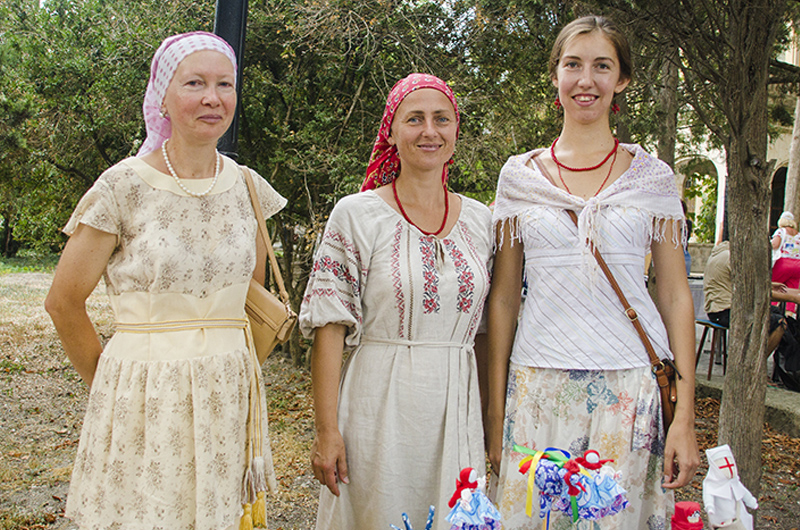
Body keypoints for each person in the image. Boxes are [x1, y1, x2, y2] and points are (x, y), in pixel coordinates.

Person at [45, 32, 286, 530]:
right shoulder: (123, 186)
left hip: (227, 391)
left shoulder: (248, 187)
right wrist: (112, 384)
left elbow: (249, 298)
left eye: (224, 84)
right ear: (162, 96)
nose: (212, 98)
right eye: (194, 83)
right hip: (144, 393)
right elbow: (63, 302)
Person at [485, 16, 700, 529]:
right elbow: (504, 299)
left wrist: (686, 417)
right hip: (537, 390)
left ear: (621, 79)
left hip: (629, 391)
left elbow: (674, 295)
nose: (586, 80)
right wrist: (494, 410)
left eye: (602, 66)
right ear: (555, 76)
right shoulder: (519, 177)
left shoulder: (652, 178)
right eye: (573, 65)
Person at [299, 73, 493, 530]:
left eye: (441, 119)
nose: (430, 131)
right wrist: (326, 431)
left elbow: (486, 332)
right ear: (390, 131)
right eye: (415, 119)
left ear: (456, 131)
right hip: (378, 403)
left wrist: (489, 421)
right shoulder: (357, 214)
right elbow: (329, 325)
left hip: (456, 404)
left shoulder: (482, 220)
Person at [772, 211, 800, 311]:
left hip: (783, 263)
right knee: (792, 290)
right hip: (797, 265)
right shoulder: (798, 234)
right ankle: (790, 313)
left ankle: (773, 308)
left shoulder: (781, 231)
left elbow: (775, 244)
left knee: (774, 286)